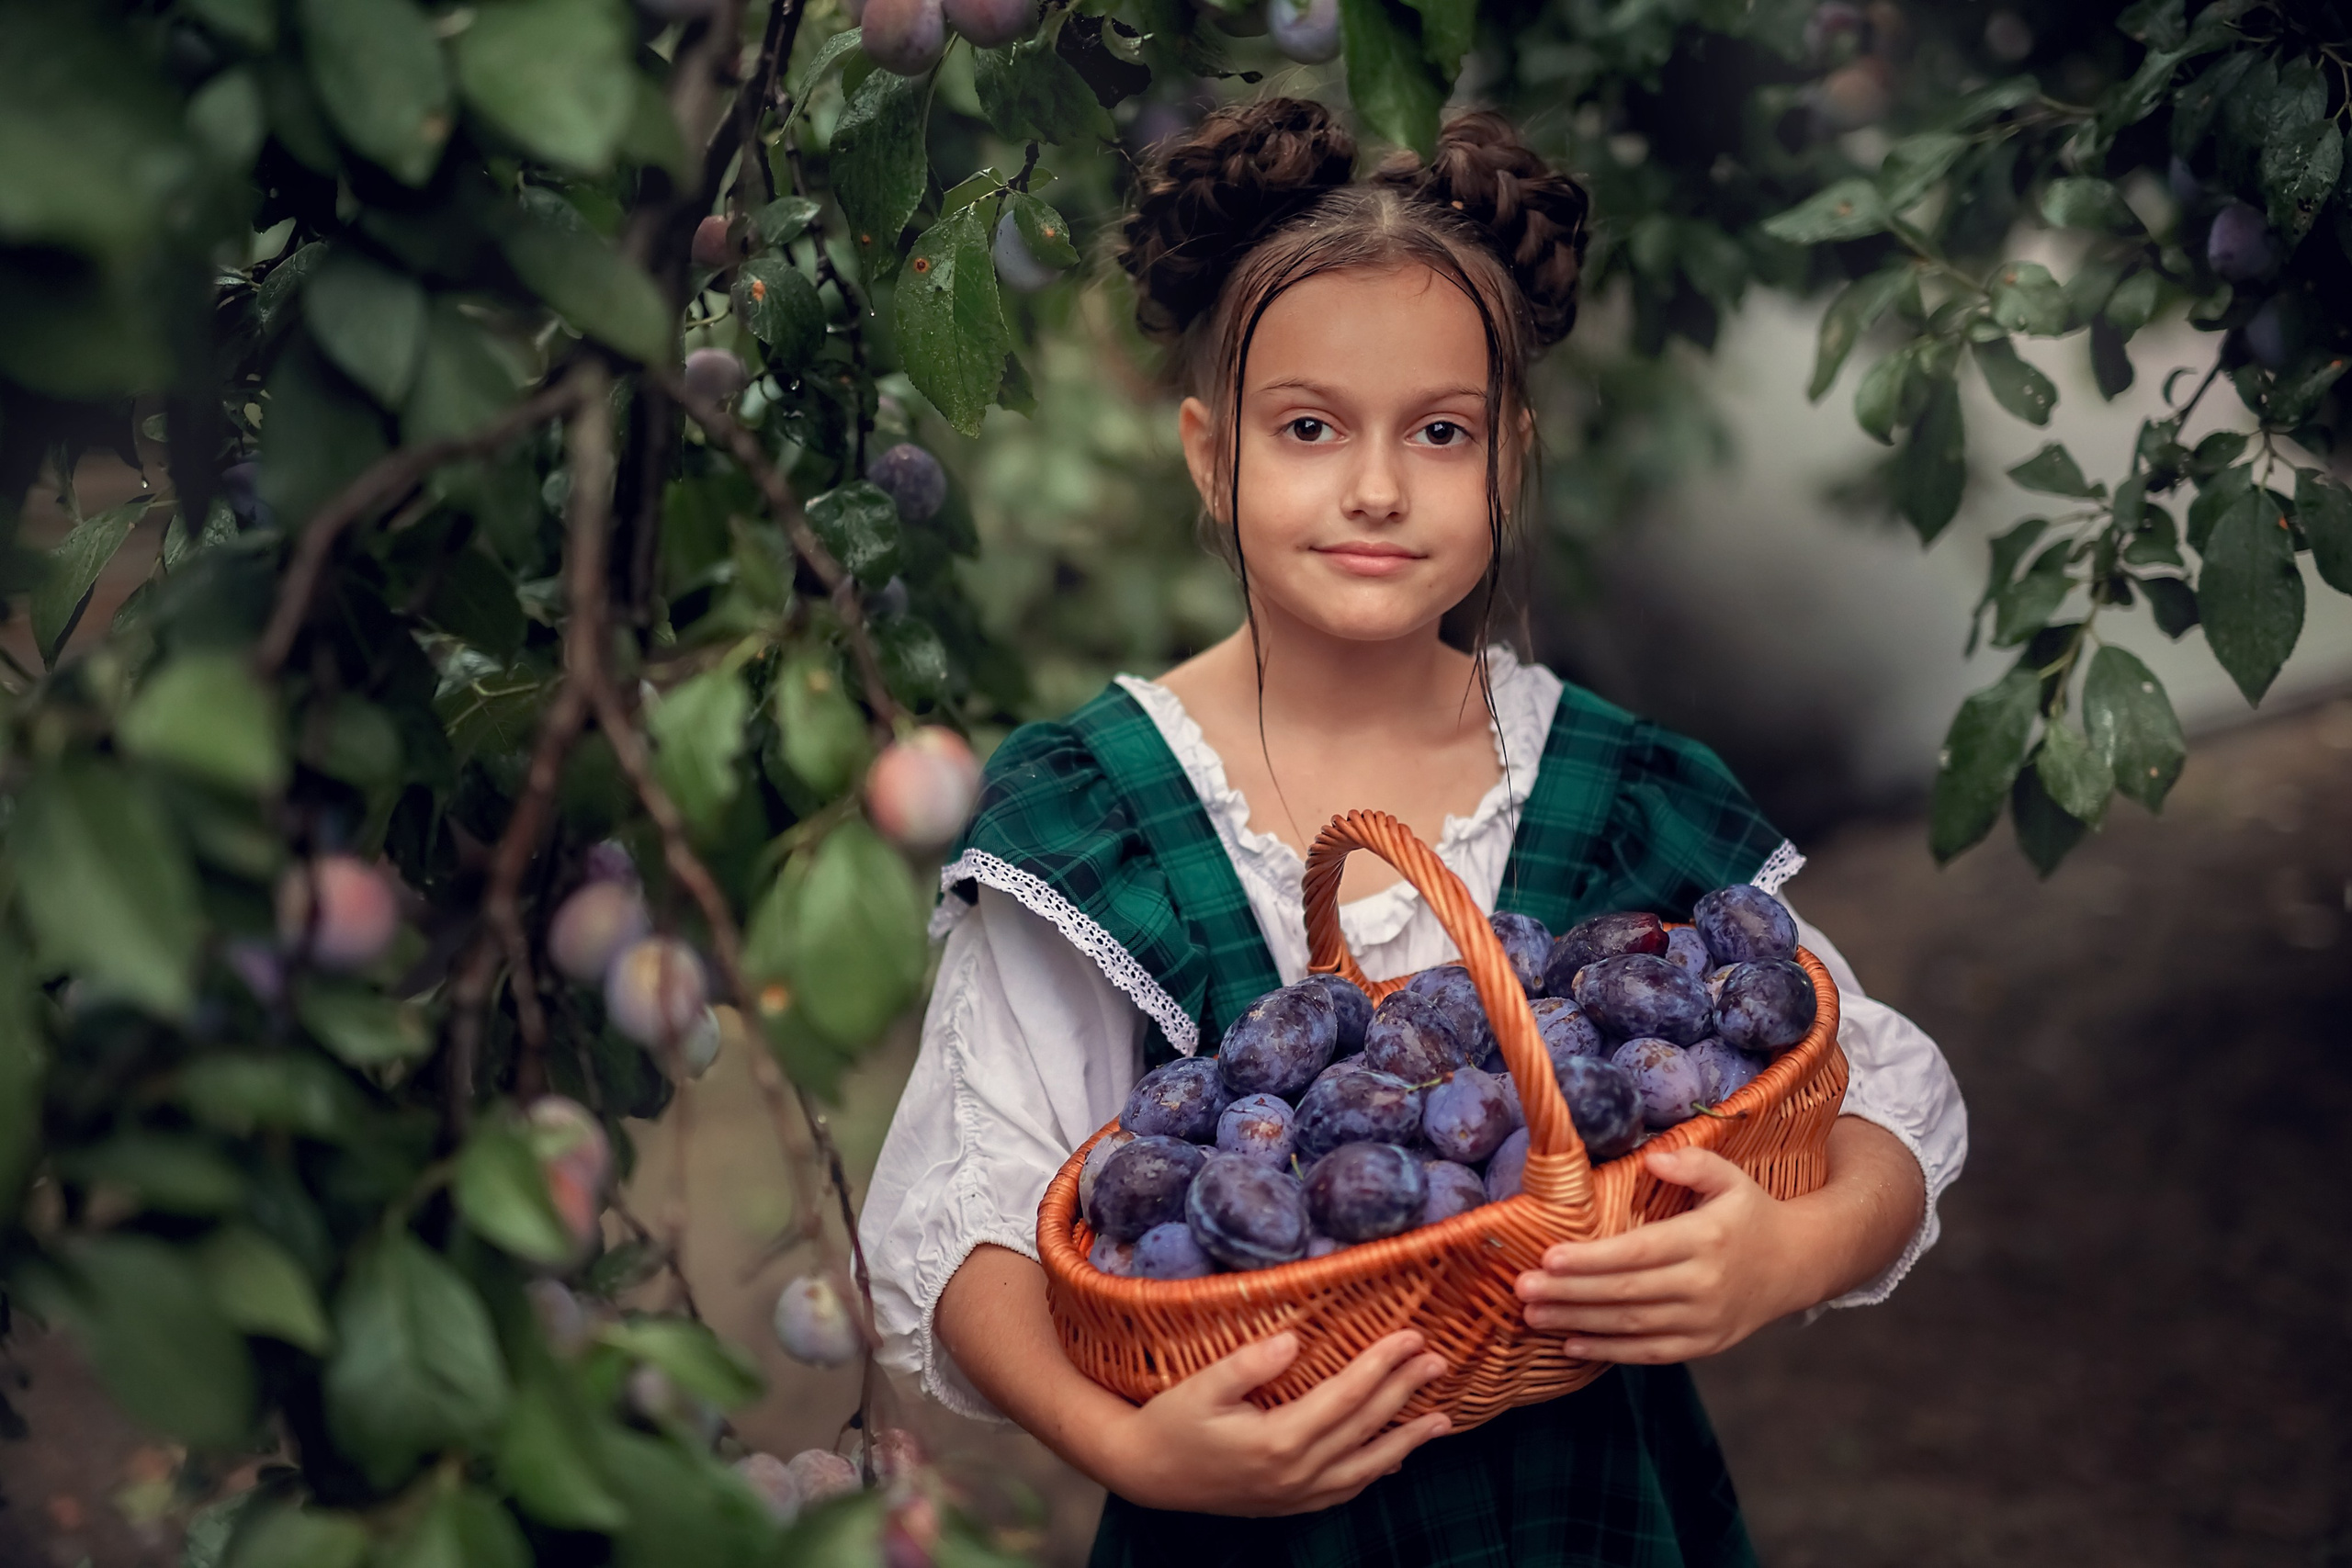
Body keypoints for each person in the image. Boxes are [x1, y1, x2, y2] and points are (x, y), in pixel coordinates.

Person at [858, 98, 1966, 1566]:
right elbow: (962, 1202)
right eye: (1308, 427)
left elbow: (1882, 1086)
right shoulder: (1103, 808)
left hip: (1593, 1517)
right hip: (1252, 1527)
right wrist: (1126, 1443)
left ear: (1506, 458)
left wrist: (1792, 1252)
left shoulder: (1614, 785)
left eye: (1438, 432)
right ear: (1210, 455)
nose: (1376, 486)